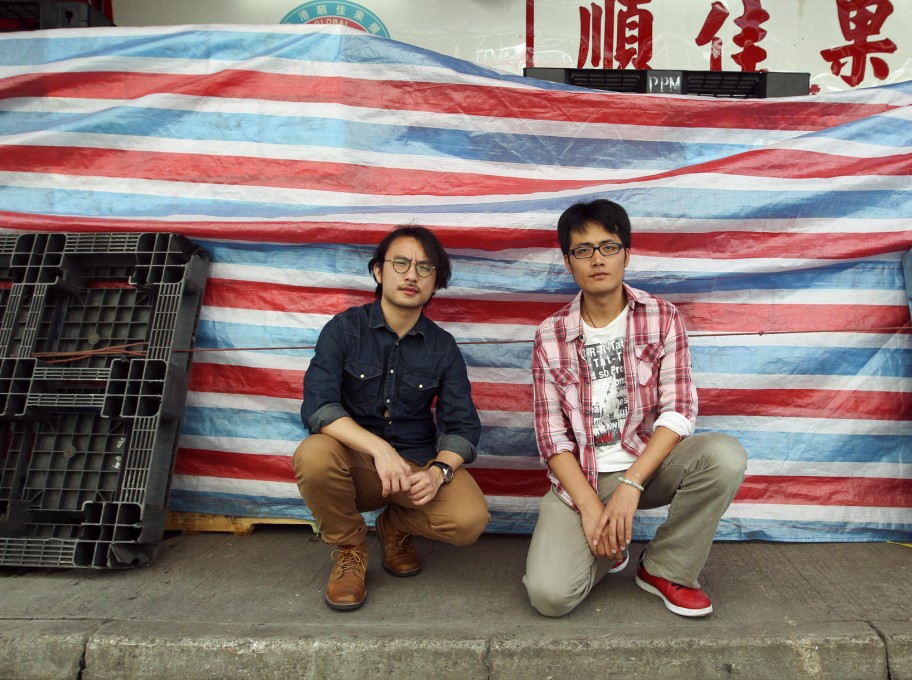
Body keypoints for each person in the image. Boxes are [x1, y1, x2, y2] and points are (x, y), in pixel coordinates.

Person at [524, 199, 747, 618]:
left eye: (608, 247)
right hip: (584, 476)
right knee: (549, 597)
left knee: (723, 456)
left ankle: (665, 568)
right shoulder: (549, 336)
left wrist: (631, 485)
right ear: (568, 262)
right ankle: (610, 550)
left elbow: (678, 410)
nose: (597, 260)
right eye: (583, 250)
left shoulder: (662, 317)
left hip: (649, 466)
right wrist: (591, 508)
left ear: (627, 253)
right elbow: (551, 437)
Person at [293, 225, 489, 611]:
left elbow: (462, 427)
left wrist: (437, 472)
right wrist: (379, 449)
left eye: (425, 267)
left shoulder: (443, 347)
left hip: (413, 468)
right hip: (356, 466)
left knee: (469, 520)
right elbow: (319, 407)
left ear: (437, 283)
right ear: (379, 271)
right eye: (400, 263)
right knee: (313, 454)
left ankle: (395, 526)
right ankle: (350, 550)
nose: (412, 274)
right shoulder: (343, 330)